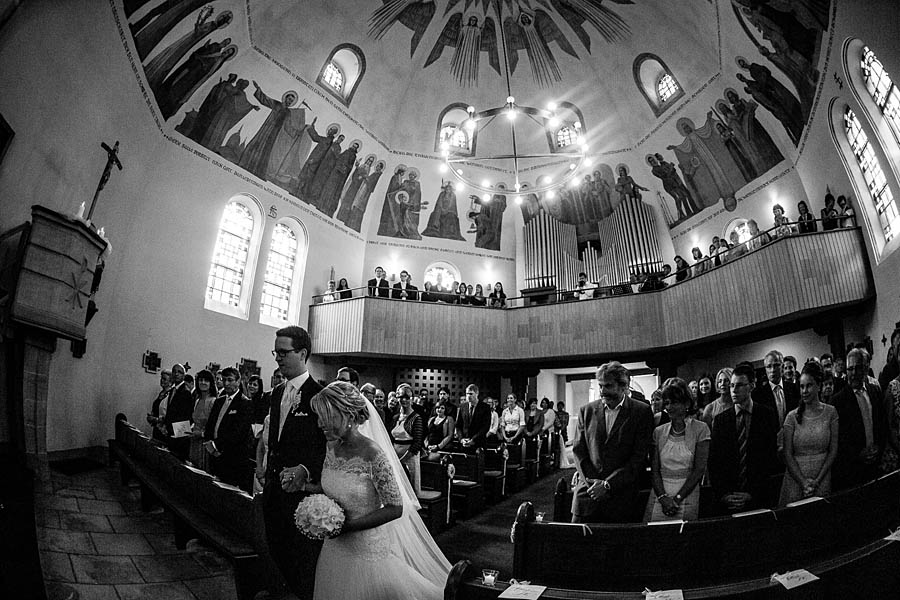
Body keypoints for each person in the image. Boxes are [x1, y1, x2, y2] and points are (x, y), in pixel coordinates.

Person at [309, 381, 450, 599]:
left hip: (366, 554)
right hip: (334, 550)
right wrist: (305, 488)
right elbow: (334, 487)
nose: (319, 424)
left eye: (327, 418)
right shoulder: (332, 447)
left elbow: (395, 507)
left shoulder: (373, 454)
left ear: (347, 414)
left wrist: (349, 526)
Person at [263, 326, 326, 599]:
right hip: (273, 487)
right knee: (275, 547)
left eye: (283, 352)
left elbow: (325, 445)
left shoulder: (318, 395)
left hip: (300, 492)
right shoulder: (277, 393)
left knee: (298, 555)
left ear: (302, 353)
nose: (277, 357)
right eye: (275, 352)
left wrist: (305, 469)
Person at [571, 361, 654, 523]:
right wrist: (594, 486)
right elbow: (579, 452)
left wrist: (608, 485)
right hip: (588, 497)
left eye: (608, 386)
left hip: (621, 498)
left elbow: (639, 457)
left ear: (623, 387)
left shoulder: (641, 412)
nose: (602, 391)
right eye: (600, 386)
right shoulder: (586, 411)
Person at [709, 363, 780, 513]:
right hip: (729, 498)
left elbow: (769, 458)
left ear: (752, 386)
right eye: (732, 385)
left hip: (759, 495)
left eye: (740, 385)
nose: (734, 390)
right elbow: (715, 462)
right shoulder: (721, 420)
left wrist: (752, 494)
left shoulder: (766, 415)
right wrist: (724, 495)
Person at [645, 378, 710, 521]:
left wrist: (677, 499)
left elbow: (699, 469)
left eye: (674, 402)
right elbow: (654, 470)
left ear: (687, 403)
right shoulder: (658, 431)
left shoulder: (701, 429)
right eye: (667, 403)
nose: (669, 407)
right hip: (660, 495)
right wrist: (663, 498)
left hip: (687, 493)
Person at [778, 361, 839, 506]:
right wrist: (803, 482)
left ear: (819, 386)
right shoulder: (791, 417)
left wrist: (817, 480)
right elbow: (787, 454)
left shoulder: (831, 412)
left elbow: (833, 450)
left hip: (822, 477)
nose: (804, 391)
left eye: (809, 385)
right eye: (802, 386)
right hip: (796, 479)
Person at [832, 348, 887, 490]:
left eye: (858, 368)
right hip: (852, 470)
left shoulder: (875, 391)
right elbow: (840, 437)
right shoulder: (838, 400)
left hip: (876, 463)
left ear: (867, 367)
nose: (854, 373)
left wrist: (878, 448)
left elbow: (881, 424)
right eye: (850, 369)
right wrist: (858, 454)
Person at [204, 367, 253, 491]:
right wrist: (210, 443)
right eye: (224, 380)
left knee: (226, 491)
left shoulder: (244, 403)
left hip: (231, 456)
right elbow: (211, 425)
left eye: (230, 380)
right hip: (214, 453)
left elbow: (238, 433)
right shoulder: (219, 401)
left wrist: (217, 445)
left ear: (238, 381)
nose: (226, 383)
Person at [389, 383, 425, 494]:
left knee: (410, 488)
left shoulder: (416, 418)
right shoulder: (395, 417)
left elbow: (417, 443)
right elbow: (391, 439)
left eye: (407, 397)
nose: (404, 400)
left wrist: (403, 460)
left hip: (410, 457)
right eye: (401, 397)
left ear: (412, 399)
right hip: (396, 456)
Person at [189, 369, 218, 471]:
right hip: (194, 440)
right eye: (200, 380)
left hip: (205, 442)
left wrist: (201, 434)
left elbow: (213, 425)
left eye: (206, 380)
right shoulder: (197, 400)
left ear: (211, 383)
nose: (203, 383)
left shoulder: (214, 401)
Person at [455, 384, 492, 450]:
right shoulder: (462, 406)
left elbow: (485, 427)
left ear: (477, 393)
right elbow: (458, 425)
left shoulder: (485, 407)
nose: (468, 396)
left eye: (471, 394)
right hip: (464, 443)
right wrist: (461, 439)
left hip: (478, 443)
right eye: (467, 394)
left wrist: (473, 439)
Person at [147, 369, 173, 442]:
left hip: (164, 430)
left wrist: (156, 419)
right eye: (161, 378)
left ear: (170, 382)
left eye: (164, 379)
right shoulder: (161, 393)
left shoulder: (170, 395)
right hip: (156, 428)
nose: (162, 381)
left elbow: (168, 415)